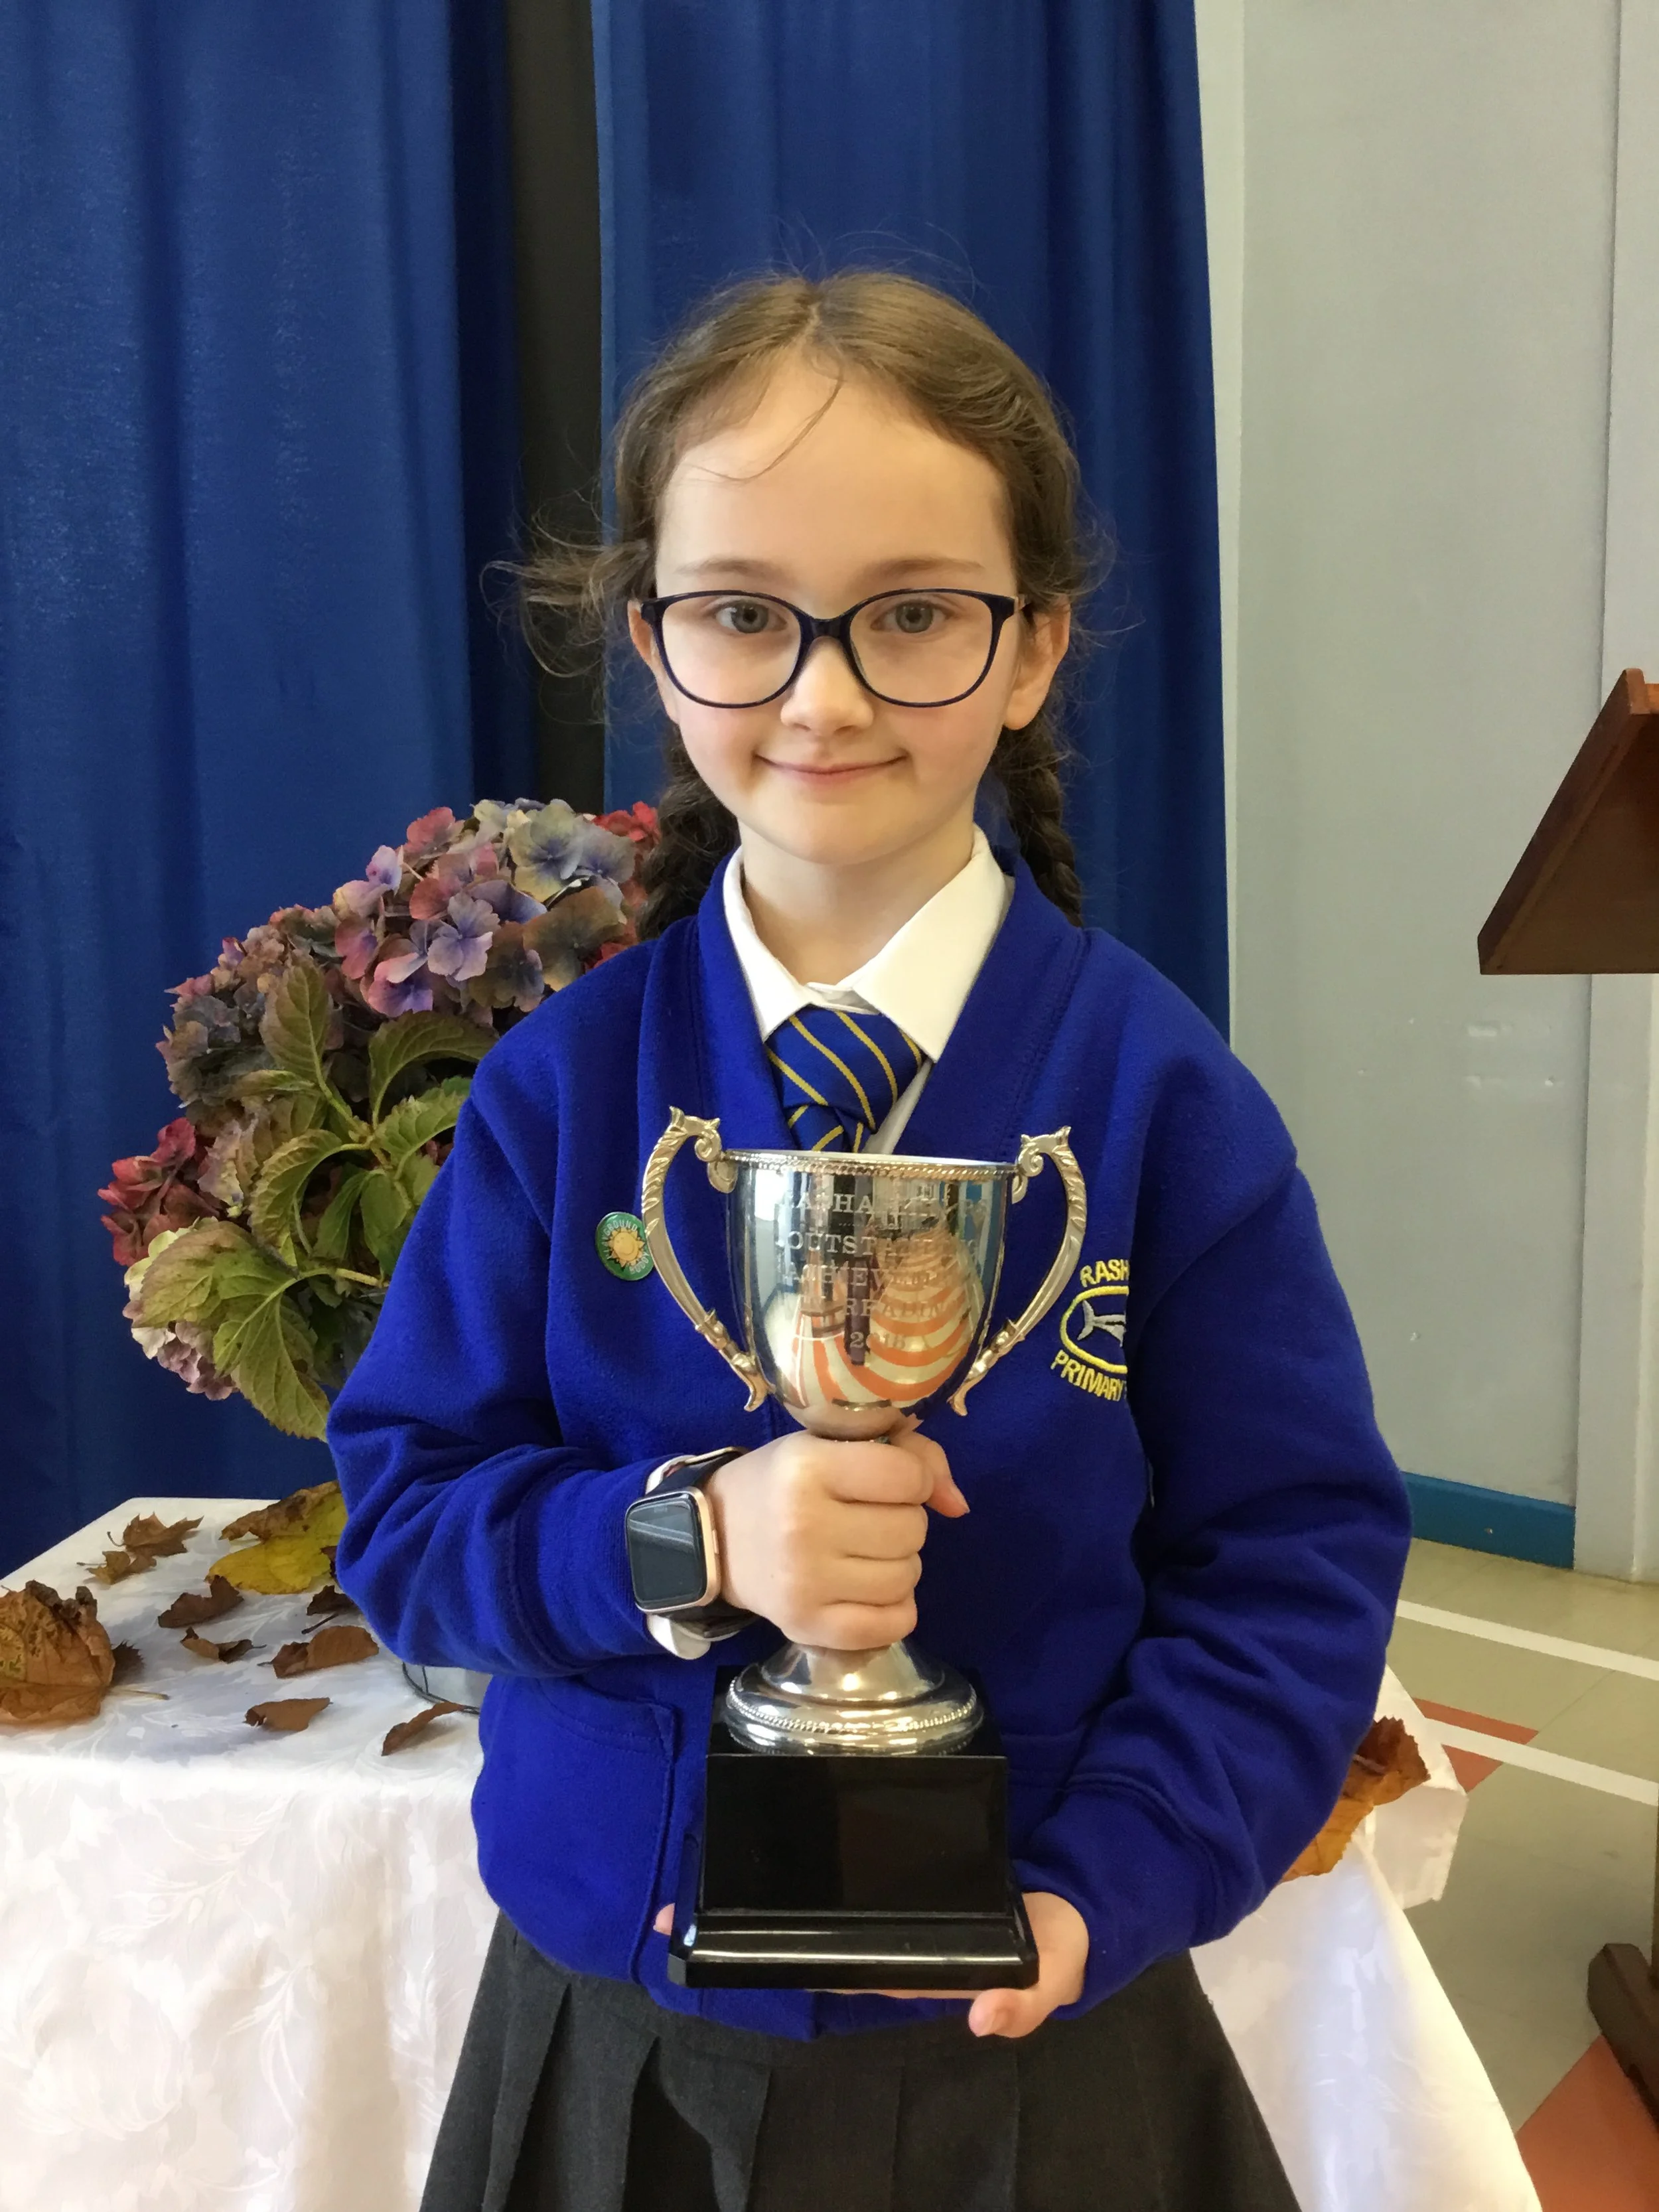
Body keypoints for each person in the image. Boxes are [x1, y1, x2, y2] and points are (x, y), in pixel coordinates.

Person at [328, 269, 1411, 2212]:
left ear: (1032, 646)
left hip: (1034, 2043)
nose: (821, 694)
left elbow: (1292, 1558)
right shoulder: (564, 1092)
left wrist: (1114, 1875)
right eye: (745, 614)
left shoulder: (1160, 1099)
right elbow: (408, 1524)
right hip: (618, 2039)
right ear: (655, 645)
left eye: (911, 614)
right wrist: (687, 1538)